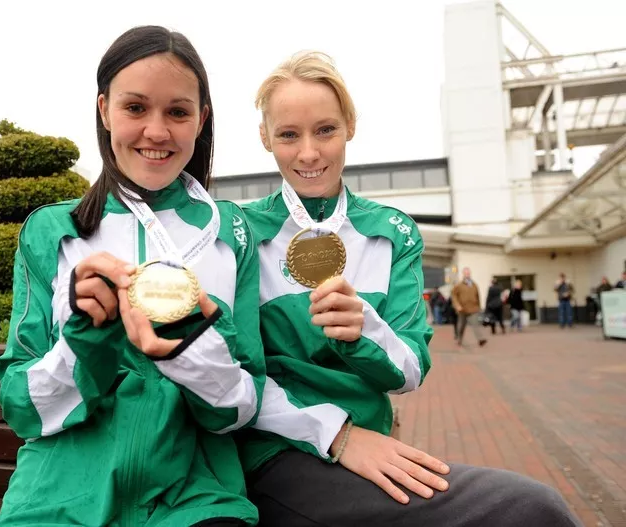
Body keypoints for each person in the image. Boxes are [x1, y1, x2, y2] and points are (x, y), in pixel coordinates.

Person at [237, 50, 581, 527]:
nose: (309, 153)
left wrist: (364, 331)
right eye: (288, 135)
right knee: (532, 510)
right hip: (278, 453)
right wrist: (336, 434)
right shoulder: (239, 234)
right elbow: (236, 378)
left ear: (350, 125)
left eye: (326, 130)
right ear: (264, 138)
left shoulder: (392, 231)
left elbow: (411, 370)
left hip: (371, 447)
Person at [0, 26, 265, 527]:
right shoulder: (52, 231)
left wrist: (189, 343)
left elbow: (241, 409)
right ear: (104, 110)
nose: (157, 132)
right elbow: (21, 409)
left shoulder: (233, 233)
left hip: (195, 499)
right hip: (56, 497)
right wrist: (85, 340)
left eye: (178, 112)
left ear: (201, 120)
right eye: (135, 108)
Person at [452, 268, 487, 347]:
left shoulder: (474, 285)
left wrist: (479, 306)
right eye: (466, 273)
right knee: (461, 326)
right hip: (462, 309)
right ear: (463, 274)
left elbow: (478, 296)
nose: (467, 275)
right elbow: (454, 296)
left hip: (473, 309)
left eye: (468, 273)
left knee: (476, 324)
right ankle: (459, 339)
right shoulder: (459, 285)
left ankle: (480, 339)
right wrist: (457, 306)